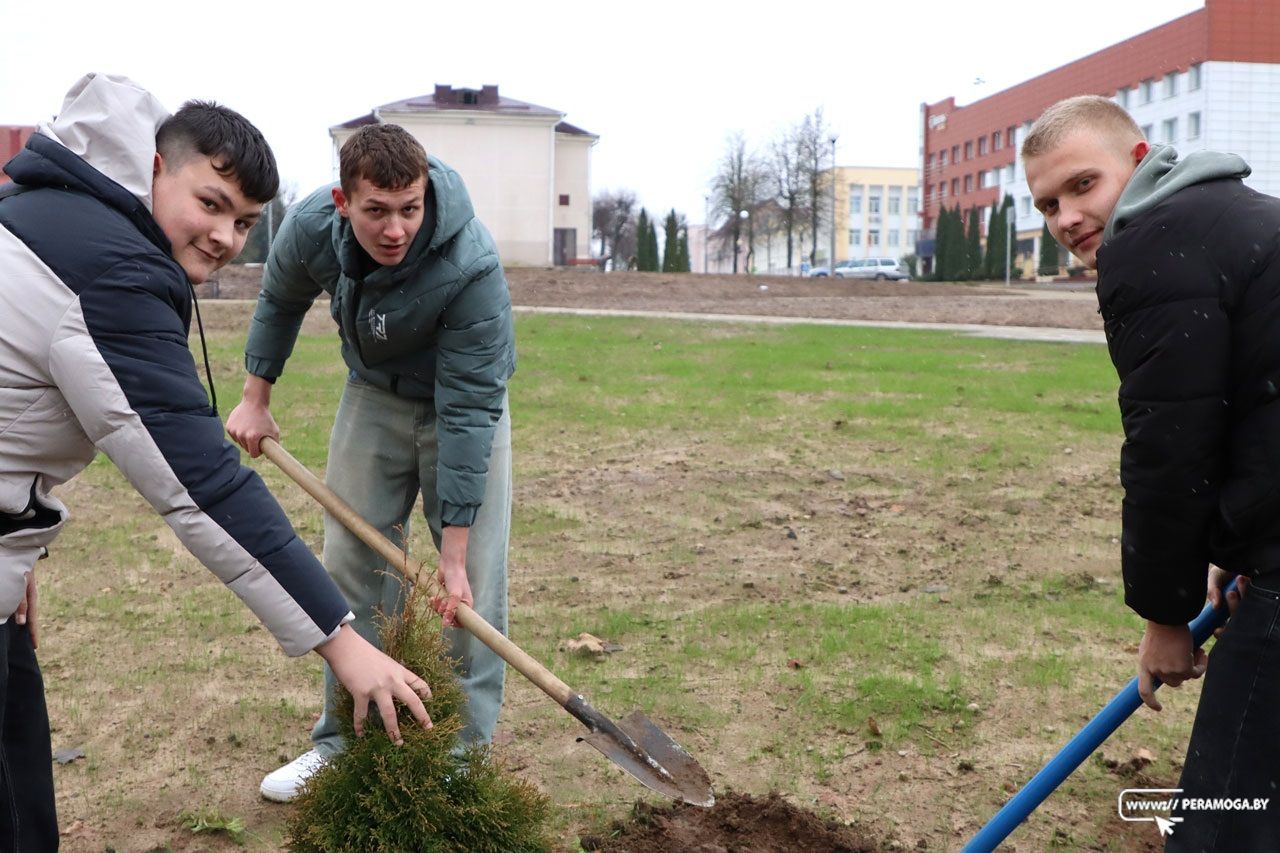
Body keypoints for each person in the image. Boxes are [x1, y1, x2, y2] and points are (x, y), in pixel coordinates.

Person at [0, 74, 438, 847]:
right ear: (153, 171)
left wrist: (13, 536)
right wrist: (342, 640)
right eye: (211, 204)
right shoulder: (113, 272)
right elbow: (200, 486)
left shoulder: (40, 216)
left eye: (244, 223)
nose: (225, 238)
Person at [226, 123, 514, 802]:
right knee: (353, 564)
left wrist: (454, 547)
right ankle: (342, 742)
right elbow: (281, 297)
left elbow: (472, 407)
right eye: (376, 211)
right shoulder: (309, 227)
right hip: (372, 394)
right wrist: (254, 396)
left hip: (462, 407)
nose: (395, 229)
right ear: (342, 200)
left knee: (468, 585)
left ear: (425, 197)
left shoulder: (470, 263)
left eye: (409, 209)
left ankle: (463, 752)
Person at [1024, 94, 1280, 848]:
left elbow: (1171, 448)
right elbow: (1255, 404)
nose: (1066, 218)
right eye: (1046, 204)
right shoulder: (1240, 217)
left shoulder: (1153, 247)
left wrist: (1165, 618)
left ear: (1139, 162)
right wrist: (1247, 555)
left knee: (1225, 820)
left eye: (1081, 185)